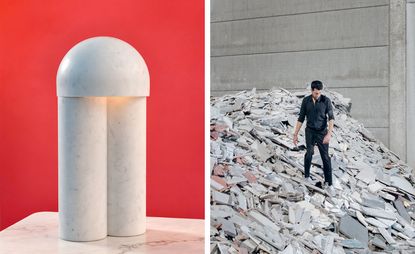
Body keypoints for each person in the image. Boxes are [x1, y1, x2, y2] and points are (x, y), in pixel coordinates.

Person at [293, 80, 336, 195]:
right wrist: (295, 134)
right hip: (310, 132)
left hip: (322, 132)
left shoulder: (326, 100)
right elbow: (301, 118)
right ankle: (306, 177)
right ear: (312, 91)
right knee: (309, 152)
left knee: (325, 157)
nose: (318, 95)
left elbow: (331, 118)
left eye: (319, 93)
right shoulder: (306, 101)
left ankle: (329, 183)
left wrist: (329, 134)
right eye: (316, 93)